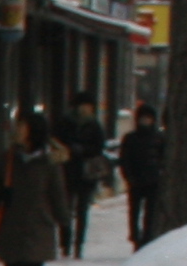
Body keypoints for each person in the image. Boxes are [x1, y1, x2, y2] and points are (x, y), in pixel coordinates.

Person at [0, 108, 72, 266]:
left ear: (32, 131)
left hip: (39, 222)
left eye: (21, 126)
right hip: (12, 220)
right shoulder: (9, 158)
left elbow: (57, 195)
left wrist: (64, 222)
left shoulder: (48, 164)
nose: (17, 130)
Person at [54, 92, 111, 256]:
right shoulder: (65, 123)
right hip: (68, 169)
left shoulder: (94, 125)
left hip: (86, 172)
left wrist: (83, 150)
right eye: (84, 105)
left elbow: (99, 146)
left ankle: (79, 243)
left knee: (82, 210)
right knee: (66, 209)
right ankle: (66, 243)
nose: (87, 109)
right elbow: (57, 142)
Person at [117, 100, 167, 249]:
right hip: (136, 180)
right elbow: (124, 159)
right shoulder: (131, 138)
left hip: (153, 180)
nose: (145, 120)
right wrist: (128, 176)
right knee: (134, 212)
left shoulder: (159, 138)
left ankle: (147, 237)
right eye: (143, 117)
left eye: (148, 118)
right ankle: (135, 236)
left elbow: (164, 158)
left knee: (150, 213)